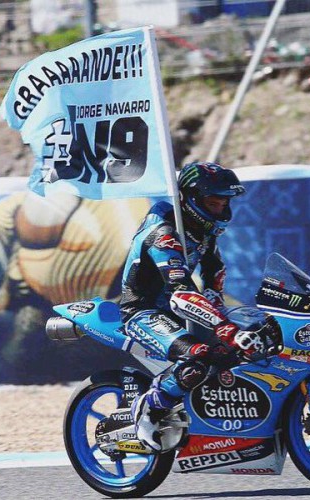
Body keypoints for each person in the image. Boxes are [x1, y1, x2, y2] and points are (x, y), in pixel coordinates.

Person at [120, 162, 268, 453]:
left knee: (238, 346)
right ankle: (150, 407)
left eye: (224, 203)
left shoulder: (203, 232)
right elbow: (181, 292)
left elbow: (215, 273)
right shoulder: (164, 234)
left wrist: (222, 315)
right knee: (198, 357)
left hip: (178, 311)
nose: (220, 210)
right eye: (213, 203)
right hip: (143, 312)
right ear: (190, 199)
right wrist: (223, 327)